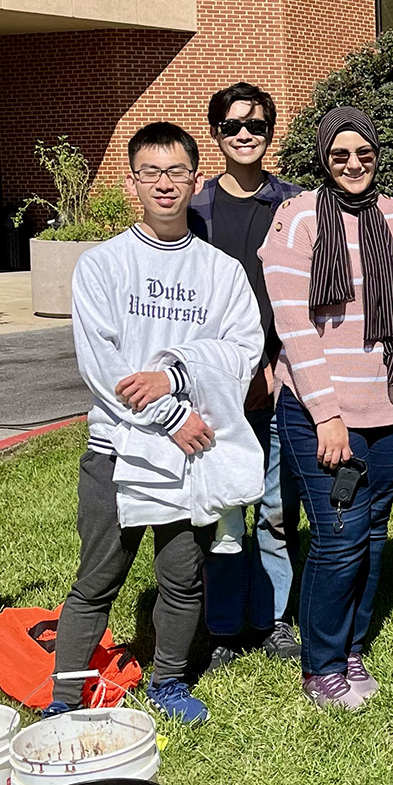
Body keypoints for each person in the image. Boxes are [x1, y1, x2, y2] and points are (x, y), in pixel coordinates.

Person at [46, 121, 264, 725]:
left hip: (189, 449)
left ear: (195, 181)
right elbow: (101, 364)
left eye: (176, 172)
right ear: (130, 181)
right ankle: (63, 698)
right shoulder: (102, 265)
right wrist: (168, 416)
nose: (164, 184)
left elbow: (243, 350)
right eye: (151, 172)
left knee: (182, 574)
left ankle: (168, 681)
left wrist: (176, 377)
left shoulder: (221, 272)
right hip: (118, 444)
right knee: (98, 576)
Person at [259, 107, 393, 711]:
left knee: (373, 532)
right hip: (323, 413)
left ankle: (353, 647)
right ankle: (321, 662)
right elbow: (293, 323)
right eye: (340, 154)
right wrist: (327, 414)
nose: (353, 165)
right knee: (338, 535)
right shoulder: (298, 216)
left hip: (392, 408)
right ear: (325, 158)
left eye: (364, 154)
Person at [188, 81, 304, 668]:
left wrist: (282, 364)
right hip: (214, 387)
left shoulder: (293, 206)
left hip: (282, 379)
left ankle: (275, 619)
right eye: (233, 126)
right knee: (222, 509)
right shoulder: (196, 210)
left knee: (279, 509)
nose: (244, 135)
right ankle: (225, 627)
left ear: (268, 132)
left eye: (255, 126)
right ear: (216, 134)